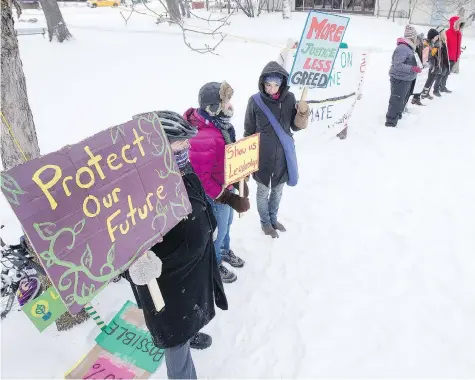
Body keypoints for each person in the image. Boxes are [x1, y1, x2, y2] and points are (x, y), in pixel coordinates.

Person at [123, 111, 228, 380]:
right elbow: (118, 244)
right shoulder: (135, 192)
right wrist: (134, 267)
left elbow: (198, 199)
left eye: (186, 143)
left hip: (192, 271)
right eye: (179, 144)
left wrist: (211, 224)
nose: (186, 148)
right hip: (166, 284)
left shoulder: (181, 168)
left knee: (190, 315)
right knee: (175, 338)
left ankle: (190, 333)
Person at [184, 81, 250, 284]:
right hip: (214, 196)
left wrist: (239, 175)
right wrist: (227, 197)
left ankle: (224, 250)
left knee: (227, 224)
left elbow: (226, 158)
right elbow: (202, 179)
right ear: (213, 108)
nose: (230, 105)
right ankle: (214, 263)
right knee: (217, 231)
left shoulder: (220, 125)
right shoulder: (203, 137)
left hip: (225, 187)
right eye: (225, 101)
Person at [244, 61, 309, 238]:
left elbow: (294, 127)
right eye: (268, 85)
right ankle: (265, 223)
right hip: (261, 157)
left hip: (282, 157)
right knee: (263, 191)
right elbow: (248, 130)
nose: (271, 88)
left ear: (281, 84)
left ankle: (273, 219)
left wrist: (302, 113)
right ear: (262, 83)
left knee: (278, 190)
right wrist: (245, 160)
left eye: (275, 85)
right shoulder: (255, 101)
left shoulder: (289, 99)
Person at [385, 25, 420, 128]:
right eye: (415, 37)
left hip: (406, 78)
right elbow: (398, 65)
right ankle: (390, 123)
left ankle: (397, 116)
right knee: (396, 100)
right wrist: (412, 69)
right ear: (412, 37)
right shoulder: (402, 48)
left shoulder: (409, 47)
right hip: (399, 79)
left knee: (402, 99)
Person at [421, 29, 441, 100]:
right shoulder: (426, 43)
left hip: (435, 65)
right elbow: (427, 55)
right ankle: (424, 93)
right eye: (436, 36)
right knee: (429, 79)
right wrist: (434, 49)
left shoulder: (435, 43)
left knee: (431, 79)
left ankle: (427, 92)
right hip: (429, 65)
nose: (438, 37)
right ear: (432, 37)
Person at [433, 29, 451, 95]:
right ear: (440, 35)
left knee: (443, 76)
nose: (445, 35)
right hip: (441, 63)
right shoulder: (439, 43)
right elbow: (436, 54)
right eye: (444, 33)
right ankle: (435, 90)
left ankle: (442, 88)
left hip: (445, 63)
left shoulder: (443, 42)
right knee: (439, 77)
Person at [410, 33, 425, 106]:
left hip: (419, 67)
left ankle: (416, 98)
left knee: (419, 83)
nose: (420, 41)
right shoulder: (414, 48)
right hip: (414, 68)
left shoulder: (421, 46)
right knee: (414, 84)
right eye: (419, 40)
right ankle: (414, 98)